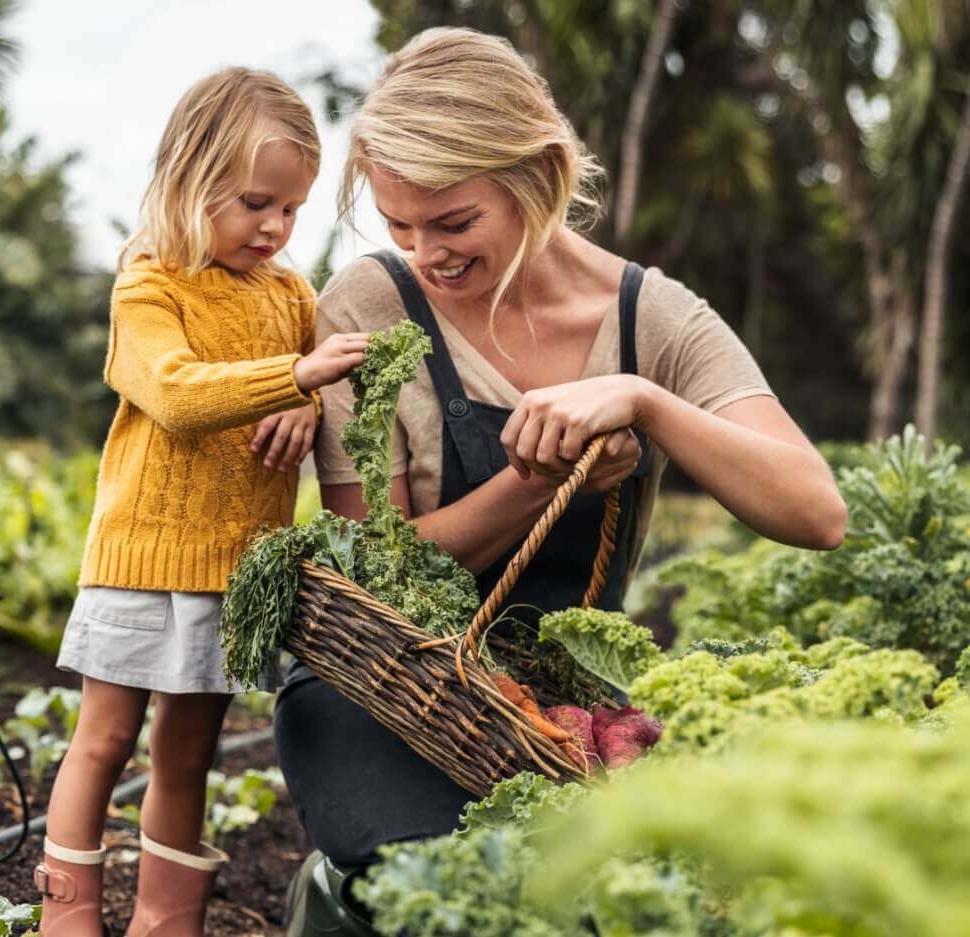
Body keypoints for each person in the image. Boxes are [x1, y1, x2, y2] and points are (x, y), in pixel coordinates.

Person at [272, 27, 848, 935]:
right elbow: (370, 575)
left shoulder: (648, 317)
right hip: (385, 688)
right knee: (451, 895)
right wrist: (547, 482)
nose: (428, 252)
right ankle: (336, 896)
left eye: (457, 222)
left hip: (562, 706)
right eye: (399, 224)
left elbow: (815, 511)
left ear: (537, 173)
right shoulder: (370, 308)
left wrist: (647, 402)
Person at [33, 67, 371, 937]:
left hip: (235, 569)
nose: (276, 227)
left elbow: (301, 389)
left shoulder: (291, 296)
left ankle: (162, 920)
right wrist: (293, 379)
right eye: (257, 202)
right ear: (191, 178)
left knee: (189, 755)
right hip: (142, 559)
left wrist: (301, 401)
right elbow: (179, 393)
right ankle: (67, 919)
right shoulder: (149, 284)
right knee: (104, 742)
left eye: (292, 210)